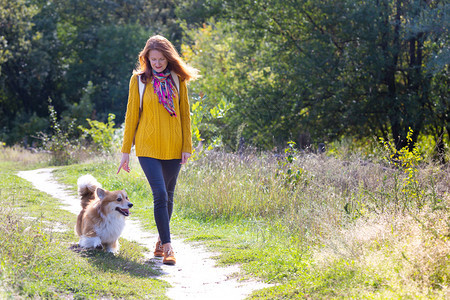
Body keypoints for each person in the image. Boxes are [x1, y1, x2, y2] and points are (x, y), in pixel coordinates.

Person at [117, 35, 199, 265]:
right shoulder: (139, 81)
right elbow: (131, 115)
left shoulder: (177, 80)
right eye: (153, 59)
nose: (158, 63)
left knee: (169, 196)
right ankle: (169, 248)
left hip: (174, 147)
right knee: (160, 194)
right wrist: (125, 152)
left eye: (162, 59)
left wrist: (186, 147)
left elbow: (185, 116)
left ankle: (160, 242)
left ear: (168, 58)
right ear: (146, 58)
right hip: (147, 147)